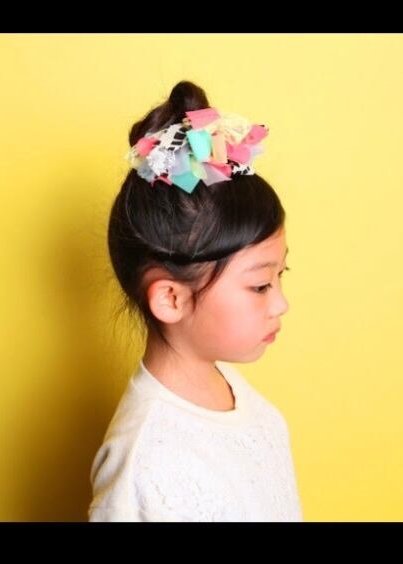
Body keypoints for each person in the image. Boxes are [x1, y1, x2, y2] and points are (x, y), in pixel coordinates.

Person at [87, 80, 303, 522]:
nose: (281, 304)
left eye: (280, 276)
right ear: (171, 298)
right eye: (260, 285)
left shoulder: (233, 391)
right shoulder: (144, 464)